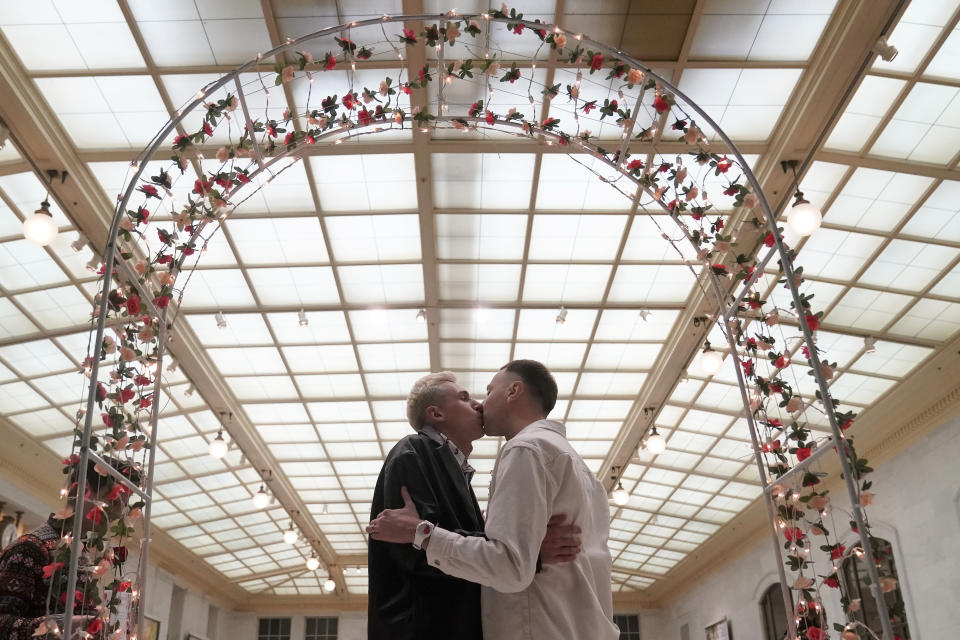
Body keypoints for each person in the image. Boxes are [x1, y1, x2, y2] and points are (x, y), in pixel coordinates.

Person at [368, 360, 619, 640]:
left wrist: (524, 551)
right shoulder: (582, 471)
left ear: (513, 391)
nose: (479, 403)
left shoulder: (526, 450)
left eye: (487, 392)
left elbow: (506, 561)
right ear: (436, 413)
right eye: (466, 397)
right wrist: (529, 552)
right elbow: (410, 549)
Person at [0, 456, 140, 640]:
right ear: (84, 490)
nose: (117, 513)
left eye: (124, 505)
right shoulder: (31, 548)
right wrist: (64, 625)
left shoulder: (82, 555)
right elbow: (3, 622)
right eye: (114, 501)